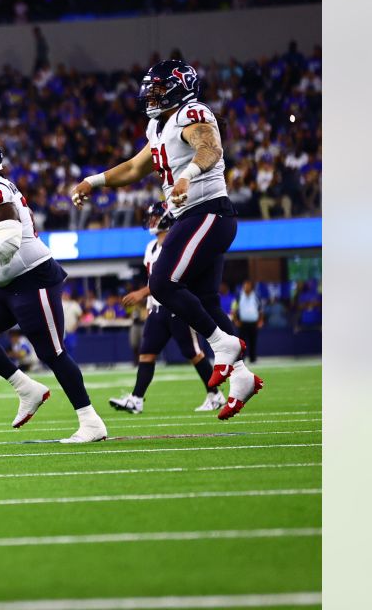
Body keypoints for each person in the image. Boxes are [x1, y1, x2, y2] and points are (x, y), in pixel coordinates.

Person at [71, 60, 263, 420]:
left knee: (161, 282)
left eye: (158, 89)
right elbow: (132, 168)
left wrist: (187, 175)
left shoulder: (191, 112)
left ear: (178, 88)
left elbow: (210, 148)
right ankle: (241, 377)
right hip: (194, 217)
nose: (151, 95)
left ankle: (224, 345)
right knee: (206, 301)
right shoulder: (158, 125)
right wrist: (93, 182)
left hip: (208, 211)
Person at [0, 136, 107, 443]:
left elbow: (7, 246)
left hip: (32, 278)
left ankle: (90, 421)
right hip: (2, 283)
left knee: (53, 353)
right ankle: (26, 388)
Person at [109, 202, 224, 414]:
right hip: (158, 308)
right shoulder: (150, 247)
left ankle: (215, 394)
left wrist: (141, 293)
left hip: (176, 306)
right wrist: (148, 302)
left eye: (155, 217)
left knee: (193, 353)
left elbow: (168, 280)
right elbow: (153, 279)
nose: (151, 221)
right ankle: (136, 399)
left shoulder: (175, 245)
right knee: (146, 354)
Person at [234, 280, 262, 363]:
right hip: (243, 323)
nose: (247, 287)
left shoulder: (256, 296)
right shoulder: (239, 296)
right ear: (243, 287)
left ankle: (253, 358)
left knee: (253, 341)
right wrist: (236, 320)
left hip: (253, 323)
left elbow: (260, 310)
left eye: (248, 286)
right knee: (242, 343)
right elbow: (235, 309)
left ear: (251, 287)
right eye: (245, 286)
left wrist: (260, 321)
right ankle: (241, 359)